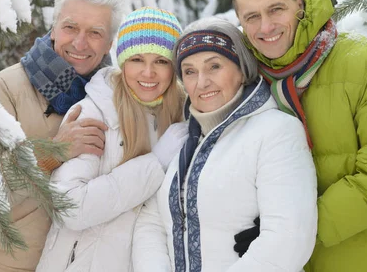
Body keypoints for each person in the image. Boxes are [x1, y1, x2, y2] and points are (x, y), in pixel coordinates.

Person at [232, 0, 367, 272]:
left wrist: (292, 230)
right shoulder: (249, 82)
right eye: (252, 16)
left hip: (362, 257)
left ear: (300, 5)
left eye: (276, 9)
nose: (265, 27)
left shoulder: (365, 64)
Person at [132, 18, 317, 271]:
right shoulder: (182, 140)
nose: (201, 82)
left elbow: (289, 238)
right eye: (189, 71)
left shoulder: (276, 131)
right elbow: (151, 222)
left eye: (214, 66)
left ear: (242, 69)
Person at [0, 0, 123, 271]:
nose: (80, 42)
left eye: (95, 32)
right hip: (13, 263)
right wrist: (52, 152)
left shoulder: (116, 99)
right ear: (54, 28)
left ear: (109, 44)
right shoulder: (4, 89)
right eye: (70, 27)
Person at [36, 7, 188, 272]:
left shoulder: (182, 118)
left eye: (161, 61)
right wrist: (155, 163)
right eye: (137, 59)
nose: (148, 73)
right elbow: (71, 207)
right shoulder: (94, 111)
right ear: (122, 62)